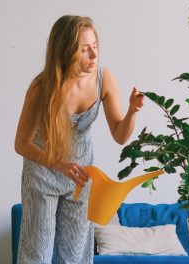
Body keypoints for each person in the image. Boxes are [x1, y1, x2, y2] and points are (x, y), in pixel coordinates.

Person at [14, 15, 144, 264]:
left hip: (80, 179)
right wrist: (59, 164)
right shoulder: (41, 88)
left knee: (74, 257)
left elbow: (120, 135)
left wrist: (132, 112)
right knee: (37, 255)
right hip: (42, 176)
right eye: (85, 50)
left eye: (95, 46)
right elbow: (21, 143)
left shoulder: (103, 80)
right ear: (64, 51)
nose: (94, 56)